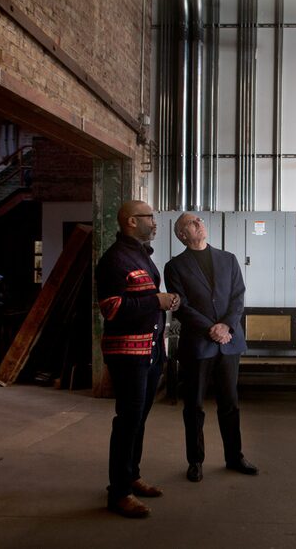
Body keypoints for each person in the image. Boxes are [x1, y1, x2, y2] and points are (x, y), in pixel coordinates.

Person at [95, 200, 180, 518]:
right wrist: (154, 300)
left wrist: (166, 301)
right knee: (127, 421)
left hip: (150, 349)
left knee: (138, 420)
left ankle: (132, 476)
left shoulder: (140, 256)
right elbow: (112, 309)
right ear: (131, 221)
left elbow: (143, 298)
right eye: (149, 218)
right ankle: (118, 493)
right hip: (128, 353)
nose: (155, 223)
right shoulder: (114, 260)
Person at [164, 212, 258, 483]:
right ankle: (195, 461)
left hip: (228, 343)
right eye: (192, 223)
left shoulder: (228, 259)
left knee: (230, 404)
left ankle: (234, 457)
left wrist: (226, 326)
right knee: (193, 406)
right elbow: (182, 306)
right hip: (199, 345)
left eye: (200, 220)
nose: (199, 223)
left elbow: (238, 296)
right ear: (182, 234)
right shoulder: (175, 266)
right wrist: (210, 329)